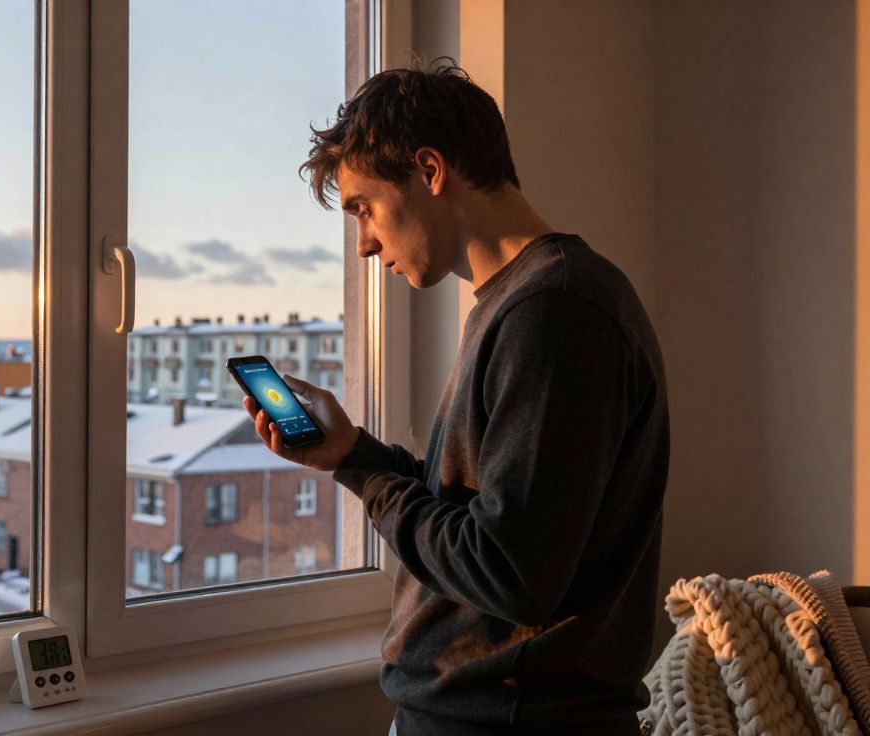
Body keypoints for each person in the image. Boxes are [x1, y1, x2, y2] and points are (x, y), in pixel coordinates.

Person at [243, 59, 669, 735]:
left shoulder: (556, 311)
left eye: (364, 208)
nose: (363, 244)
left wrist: (374, 483)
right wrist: (351, 454)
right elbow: (475, 518)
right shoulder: (520, 305)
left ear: (431, 171)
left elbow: (510, 571)